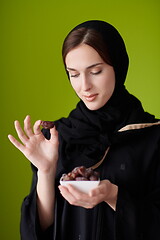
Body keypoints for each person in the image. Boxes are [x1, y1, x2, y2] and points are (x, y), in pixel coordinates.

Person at [8, 20, 160, 240]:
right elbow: (36, 231)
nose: (84, 86)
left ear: (119, 66)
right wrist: (46, 171)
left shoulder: (152, 136)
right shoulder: (57, 137)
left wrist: (113, 195)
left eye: (95, 71)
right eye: (74, 74)